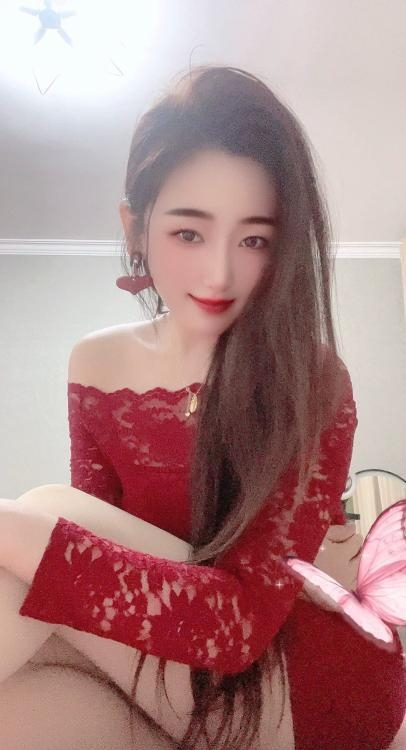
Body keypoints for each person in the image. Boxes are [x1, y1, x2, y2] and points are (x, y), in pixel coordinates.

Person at [0, 64, 404, 750]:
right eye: (189, 233)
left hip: (305, 682)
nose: (220, 274)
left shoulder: (312, 379)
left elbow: (240, 626)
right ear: (136, 227)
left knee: (45, 511)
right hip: (166, 671)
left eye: (254, 240)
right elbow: (90, 580)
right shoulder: (95, 364)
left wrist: (11, 527)